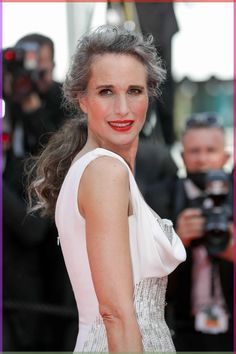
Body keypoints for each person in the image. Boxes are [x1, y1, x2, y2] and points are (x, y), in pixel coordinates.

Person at [27, 25, 186, 352]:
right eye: (106, 92)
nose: (123, 109)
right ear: (81, 99)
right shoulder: (104, 172)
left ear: (149, 94)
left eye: (134, 91)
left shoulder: (96, 169)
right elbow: (114, 312)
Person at [3, 33, 73, 350]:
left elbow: (58, 152)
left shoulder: (65, 101)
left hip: (56, 223)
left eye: (41, 73)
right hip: (16, 226)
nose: (32, 80)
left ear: (54, 67)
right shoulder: (11, 101)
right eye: (27, 72)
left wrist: (32, 107)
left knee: (58, 306)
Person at [167, 113, 233, 352]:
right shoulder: (161, 197)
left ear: (226, 156)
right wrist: (175, 242)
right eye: (194, 151)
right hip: (182, 324)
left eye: (210, 150)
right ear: (183, 157)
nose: (203, 159)